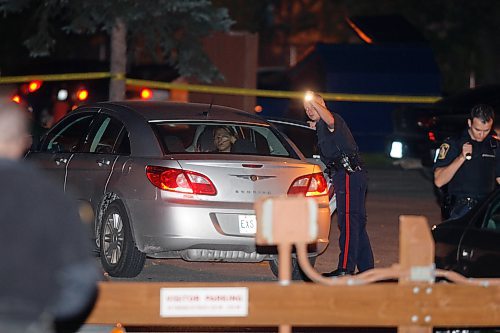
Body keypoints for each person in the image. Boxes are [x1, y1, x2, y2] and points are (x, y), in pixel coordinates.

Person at [0, 99, 101, 332]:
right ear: (22, 142)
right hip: (25, 319)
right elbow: (79, 279)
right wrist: (50, 315)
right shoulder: (52, 197)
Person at [303, 92, 374, 276]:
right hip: (343, 175)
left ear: (323, 105)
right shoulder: (321, 127)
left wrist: (314, 102)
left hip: (349, 174)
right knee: (356, 223)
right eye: (307, 108)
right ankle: (367, 270)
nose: (310, 110)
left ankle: (345, 268)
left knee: (349, 222)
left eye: (313, 106)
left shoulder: (334, 121)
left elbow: (330, 121)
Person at [434, 104, 500, 220]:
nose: (481, 134)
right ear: (469, 123)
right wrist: (461, 157)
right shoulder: (454, 143)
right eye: (477, 129)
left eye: (486, 130)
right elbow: (439, 181)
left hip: (486, 209)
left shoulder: (494, 146)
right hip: (460, 208)